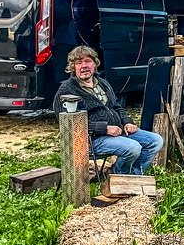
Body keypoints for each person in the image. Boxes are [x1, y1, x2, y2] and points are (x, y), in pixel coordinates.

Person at [52, 45, 163, 175]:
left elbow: (116, 106)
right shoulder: (67, 90)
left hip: (118, 131)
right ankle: (119, 174)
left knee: (155, 141)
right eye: (78, 63)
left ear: (95, 64)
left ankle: (134, 174)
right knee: (133, 148)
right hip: (91, 140)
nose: (84, 66)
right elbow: (67, 123)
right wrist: (104, 129)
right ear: (73, 67)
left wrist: (127, 121)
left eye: (88, 61)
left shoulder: (103, 83)